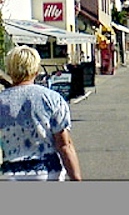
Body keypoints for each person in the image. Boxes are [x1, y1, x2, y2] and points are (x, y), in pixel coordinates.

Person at [0, 45, 82, 181]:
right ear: (36, 70)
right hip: (47, 172)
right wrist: (76, 178)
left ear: (9, 69)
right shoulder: (52, 99)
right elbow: (64, 144)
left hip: (11, 174)